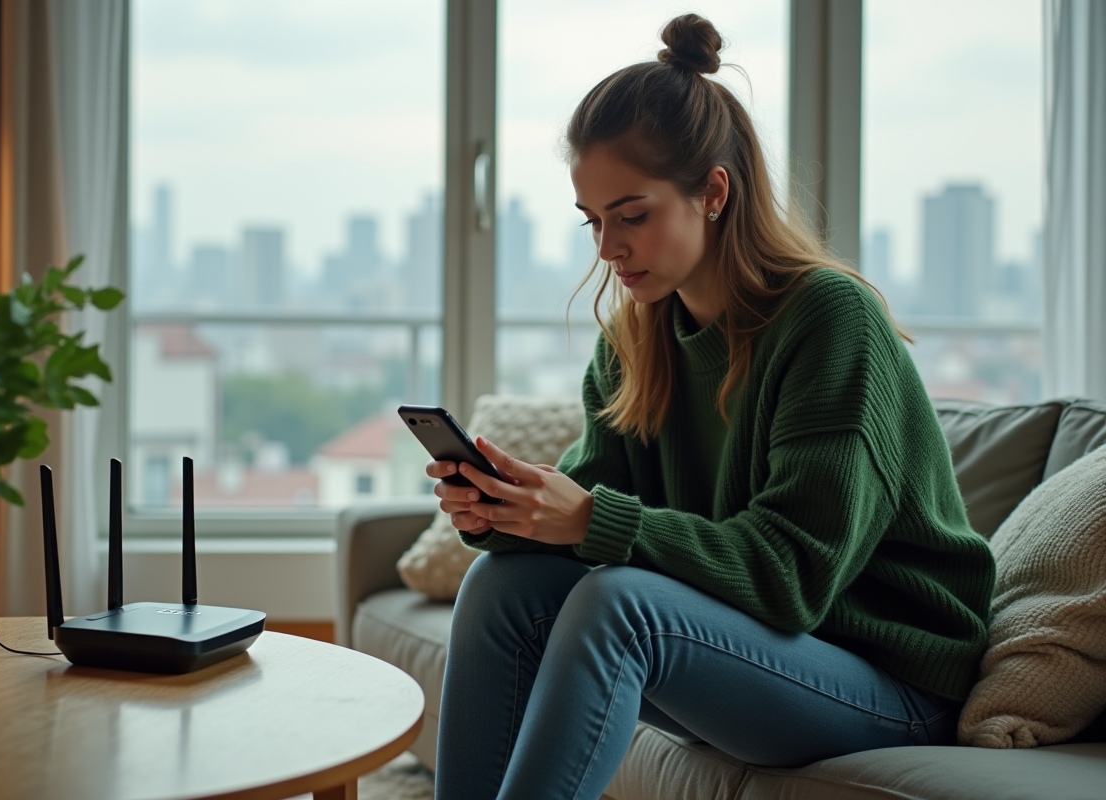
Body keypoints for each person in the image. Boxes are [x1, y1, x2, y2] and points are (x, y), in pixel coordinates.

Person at [426, 14, 994, 800]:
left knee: (619, 607)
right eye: (593, 221)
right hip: (756, 650)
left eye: (632, 215)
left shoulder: (830, 320)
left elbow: (791, 578)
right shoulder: (637, 337)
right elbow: (581, 525)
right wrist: (500, 514)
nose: (607, 249)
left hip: (888, 681)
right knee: (500, 587)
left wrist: (593, 521)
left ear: (713, 192)